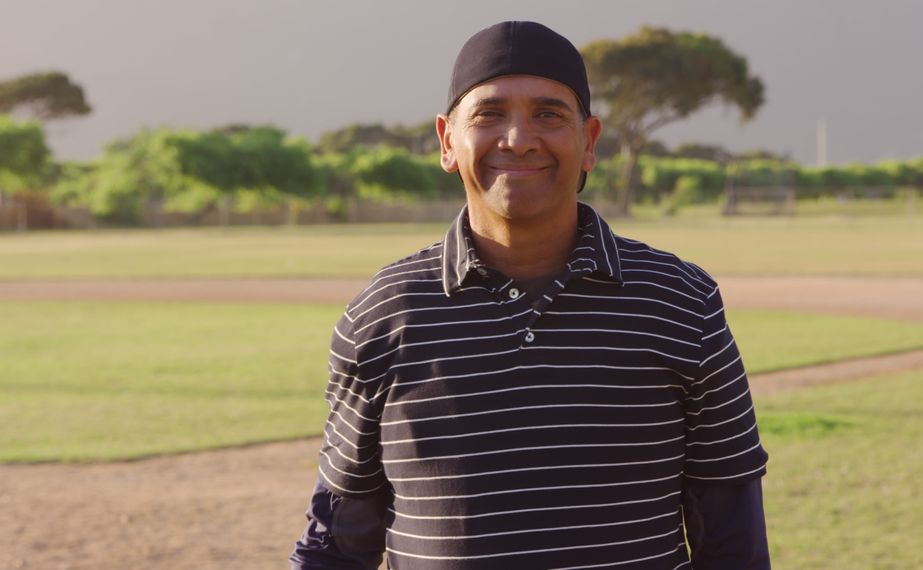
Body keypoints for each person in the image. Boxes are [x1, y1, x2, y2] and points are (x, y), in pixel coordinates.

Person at [291, 20, 770, 570]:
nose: (518, 139)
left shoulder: (681, 303)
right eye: (489, 114)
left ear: (589, 142)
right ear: (448, 142)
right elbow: (337, 542)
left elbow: (733, 541)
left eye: (548, 114)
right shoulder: (383, 314)